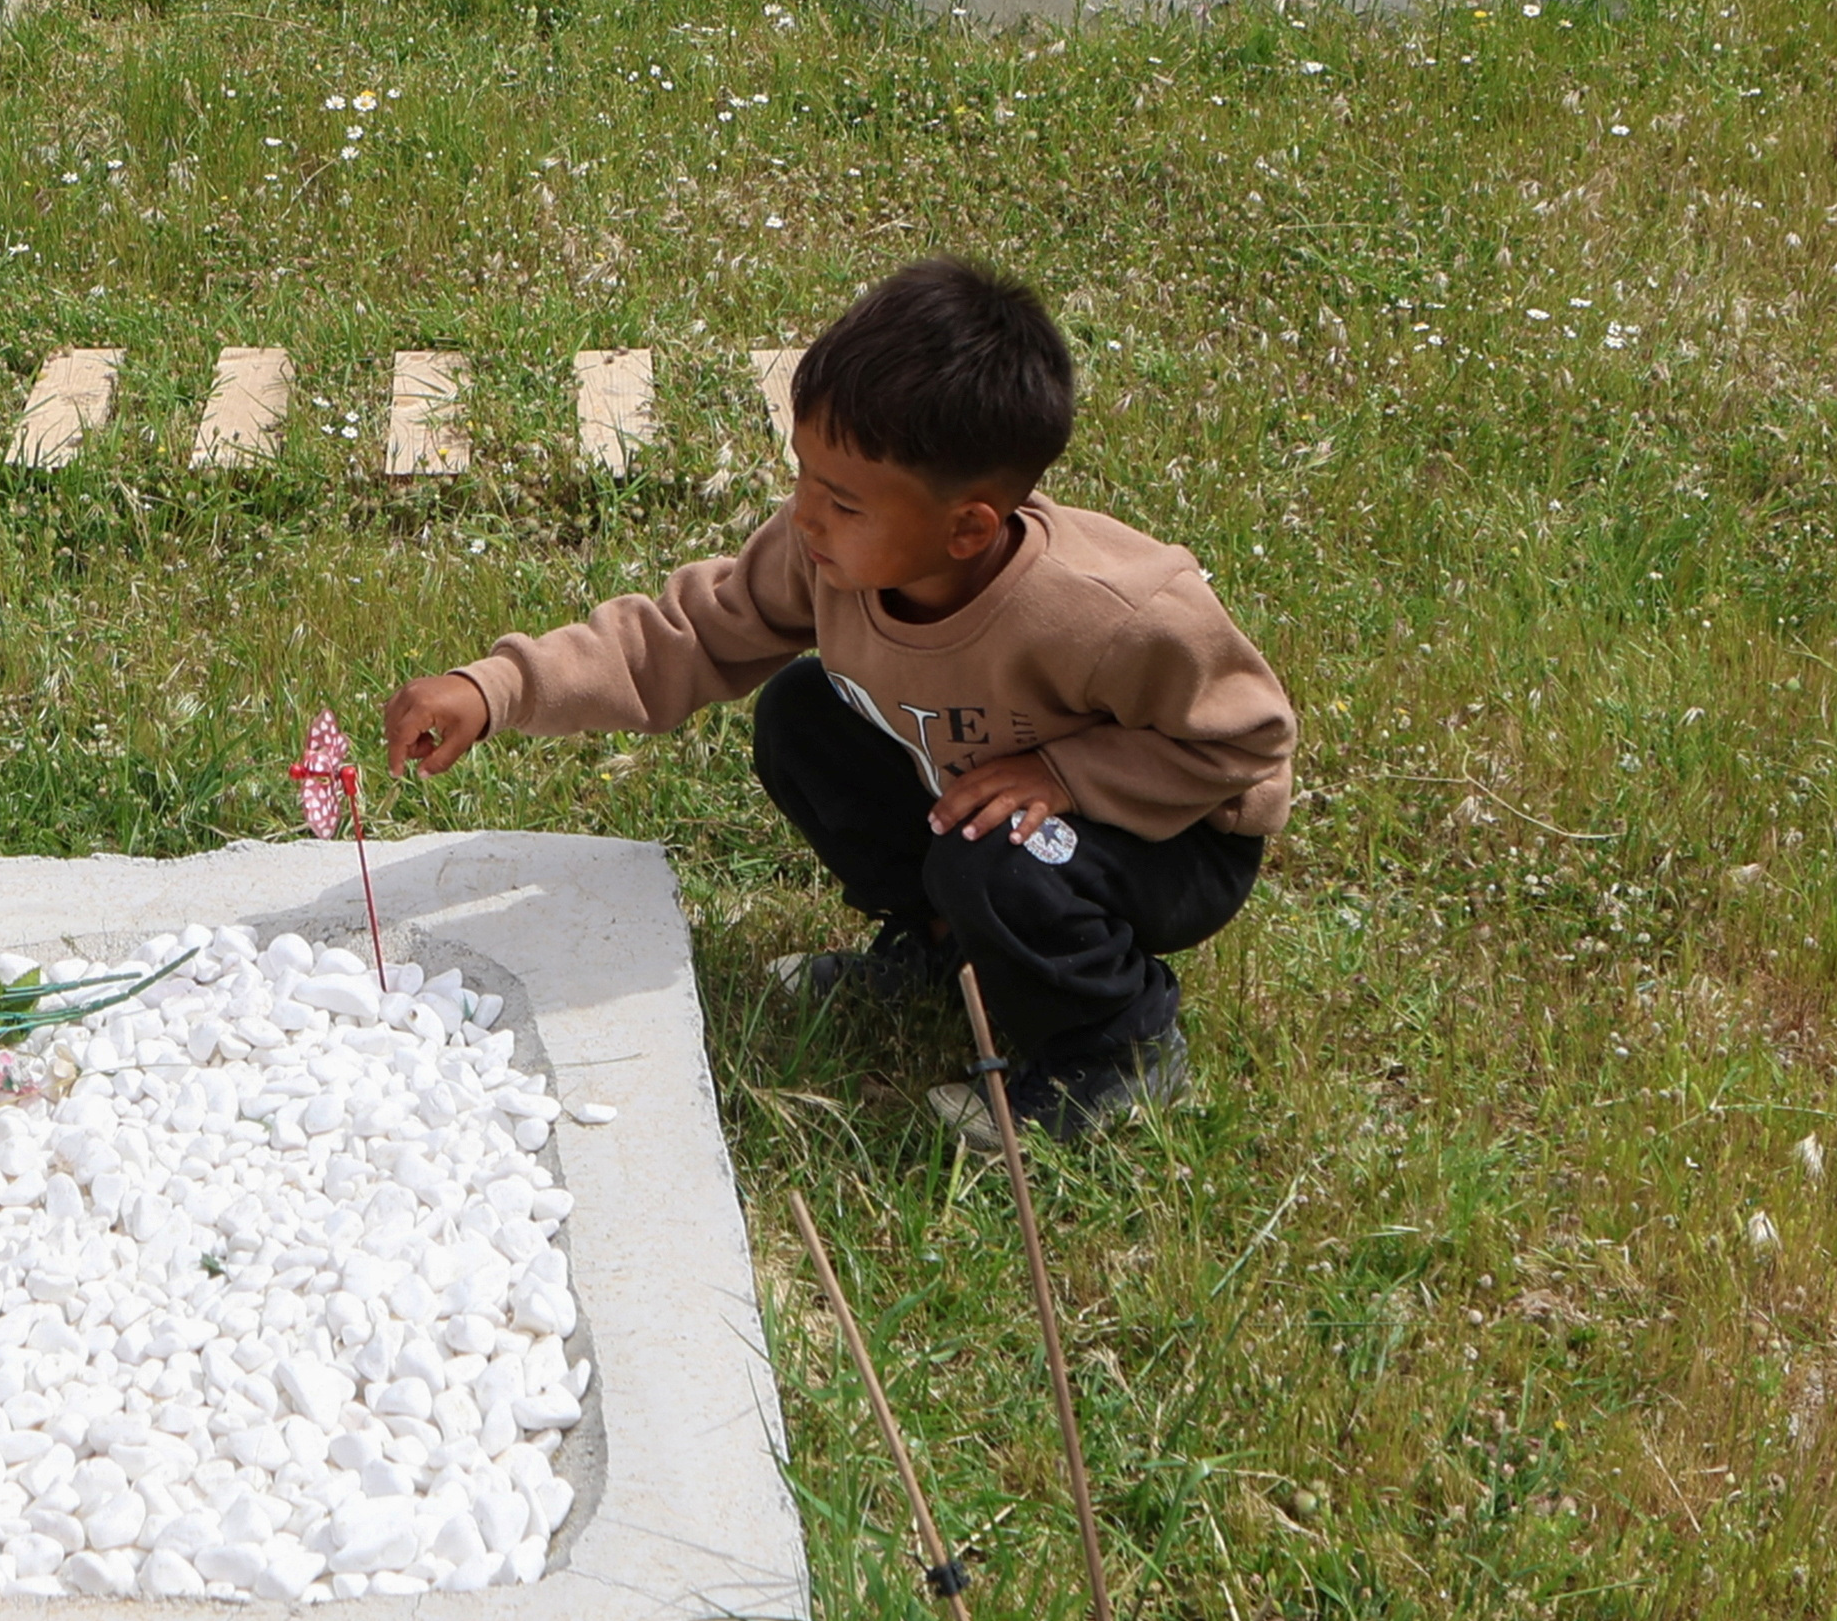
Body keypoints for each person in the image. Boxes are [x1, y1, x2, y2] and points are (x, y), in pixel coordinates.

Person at [378, 260, 1290, 1142]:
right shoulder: (821, 557)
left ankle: (1116, 1042)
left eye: (844, 501)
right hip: (975, 792)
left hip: (1161, 844)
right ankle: (945, 945)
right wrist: (493, 689)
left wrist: (1066, 773)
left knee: (994, 866)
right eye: (803, 474)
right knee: (803, 713)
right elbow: (685, 636)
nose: (805, 515)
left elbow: (1245, 746)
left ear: (968, 526)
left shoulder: (1118, 614)